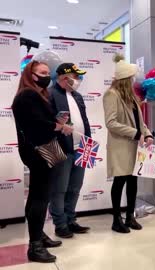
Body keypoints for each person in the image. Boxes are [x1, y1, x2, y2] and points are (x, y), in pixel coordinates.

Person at [12, 61, 73, 263]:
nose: (47, 76)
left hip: (36, 151)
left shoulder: (35, 95)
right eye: (43, 72)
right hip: (38, 152)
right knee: (40, 197)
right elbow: (37, 124)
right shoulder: (28, 95)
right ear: (32, 74)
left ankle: (38, 235)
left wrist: (55, 124)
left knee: (38, 196)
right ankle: (35, 246)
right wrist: (58, 127)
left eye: (48, 72)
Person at [103, 55, 153, 233]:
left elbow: (139, 121)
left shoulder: (131, 97)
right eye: (132, 77)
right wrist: (136, 133)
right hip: (121, 145)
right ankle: (117, 219)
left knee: (133, 181)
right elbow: (111, 123)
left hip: (135, 146)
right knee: (120, 181)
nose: (135, 80)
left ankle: (130, 216)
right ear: (126, 79)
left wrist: (146, 134)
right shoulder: (112, 95)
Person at [48, 63, 91, 238]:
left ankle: (71, 219)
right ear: (64, 77)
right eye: (75, 76)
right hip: (61, 149)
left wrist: (88, 141)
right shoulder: (50, 94)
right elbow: (48, 123)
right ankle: (60, 224)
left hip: (81, 147)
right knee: (59, 189)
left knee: (75, 187)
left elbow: (84, 120)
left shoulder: (78, 96)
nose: (78, 80)